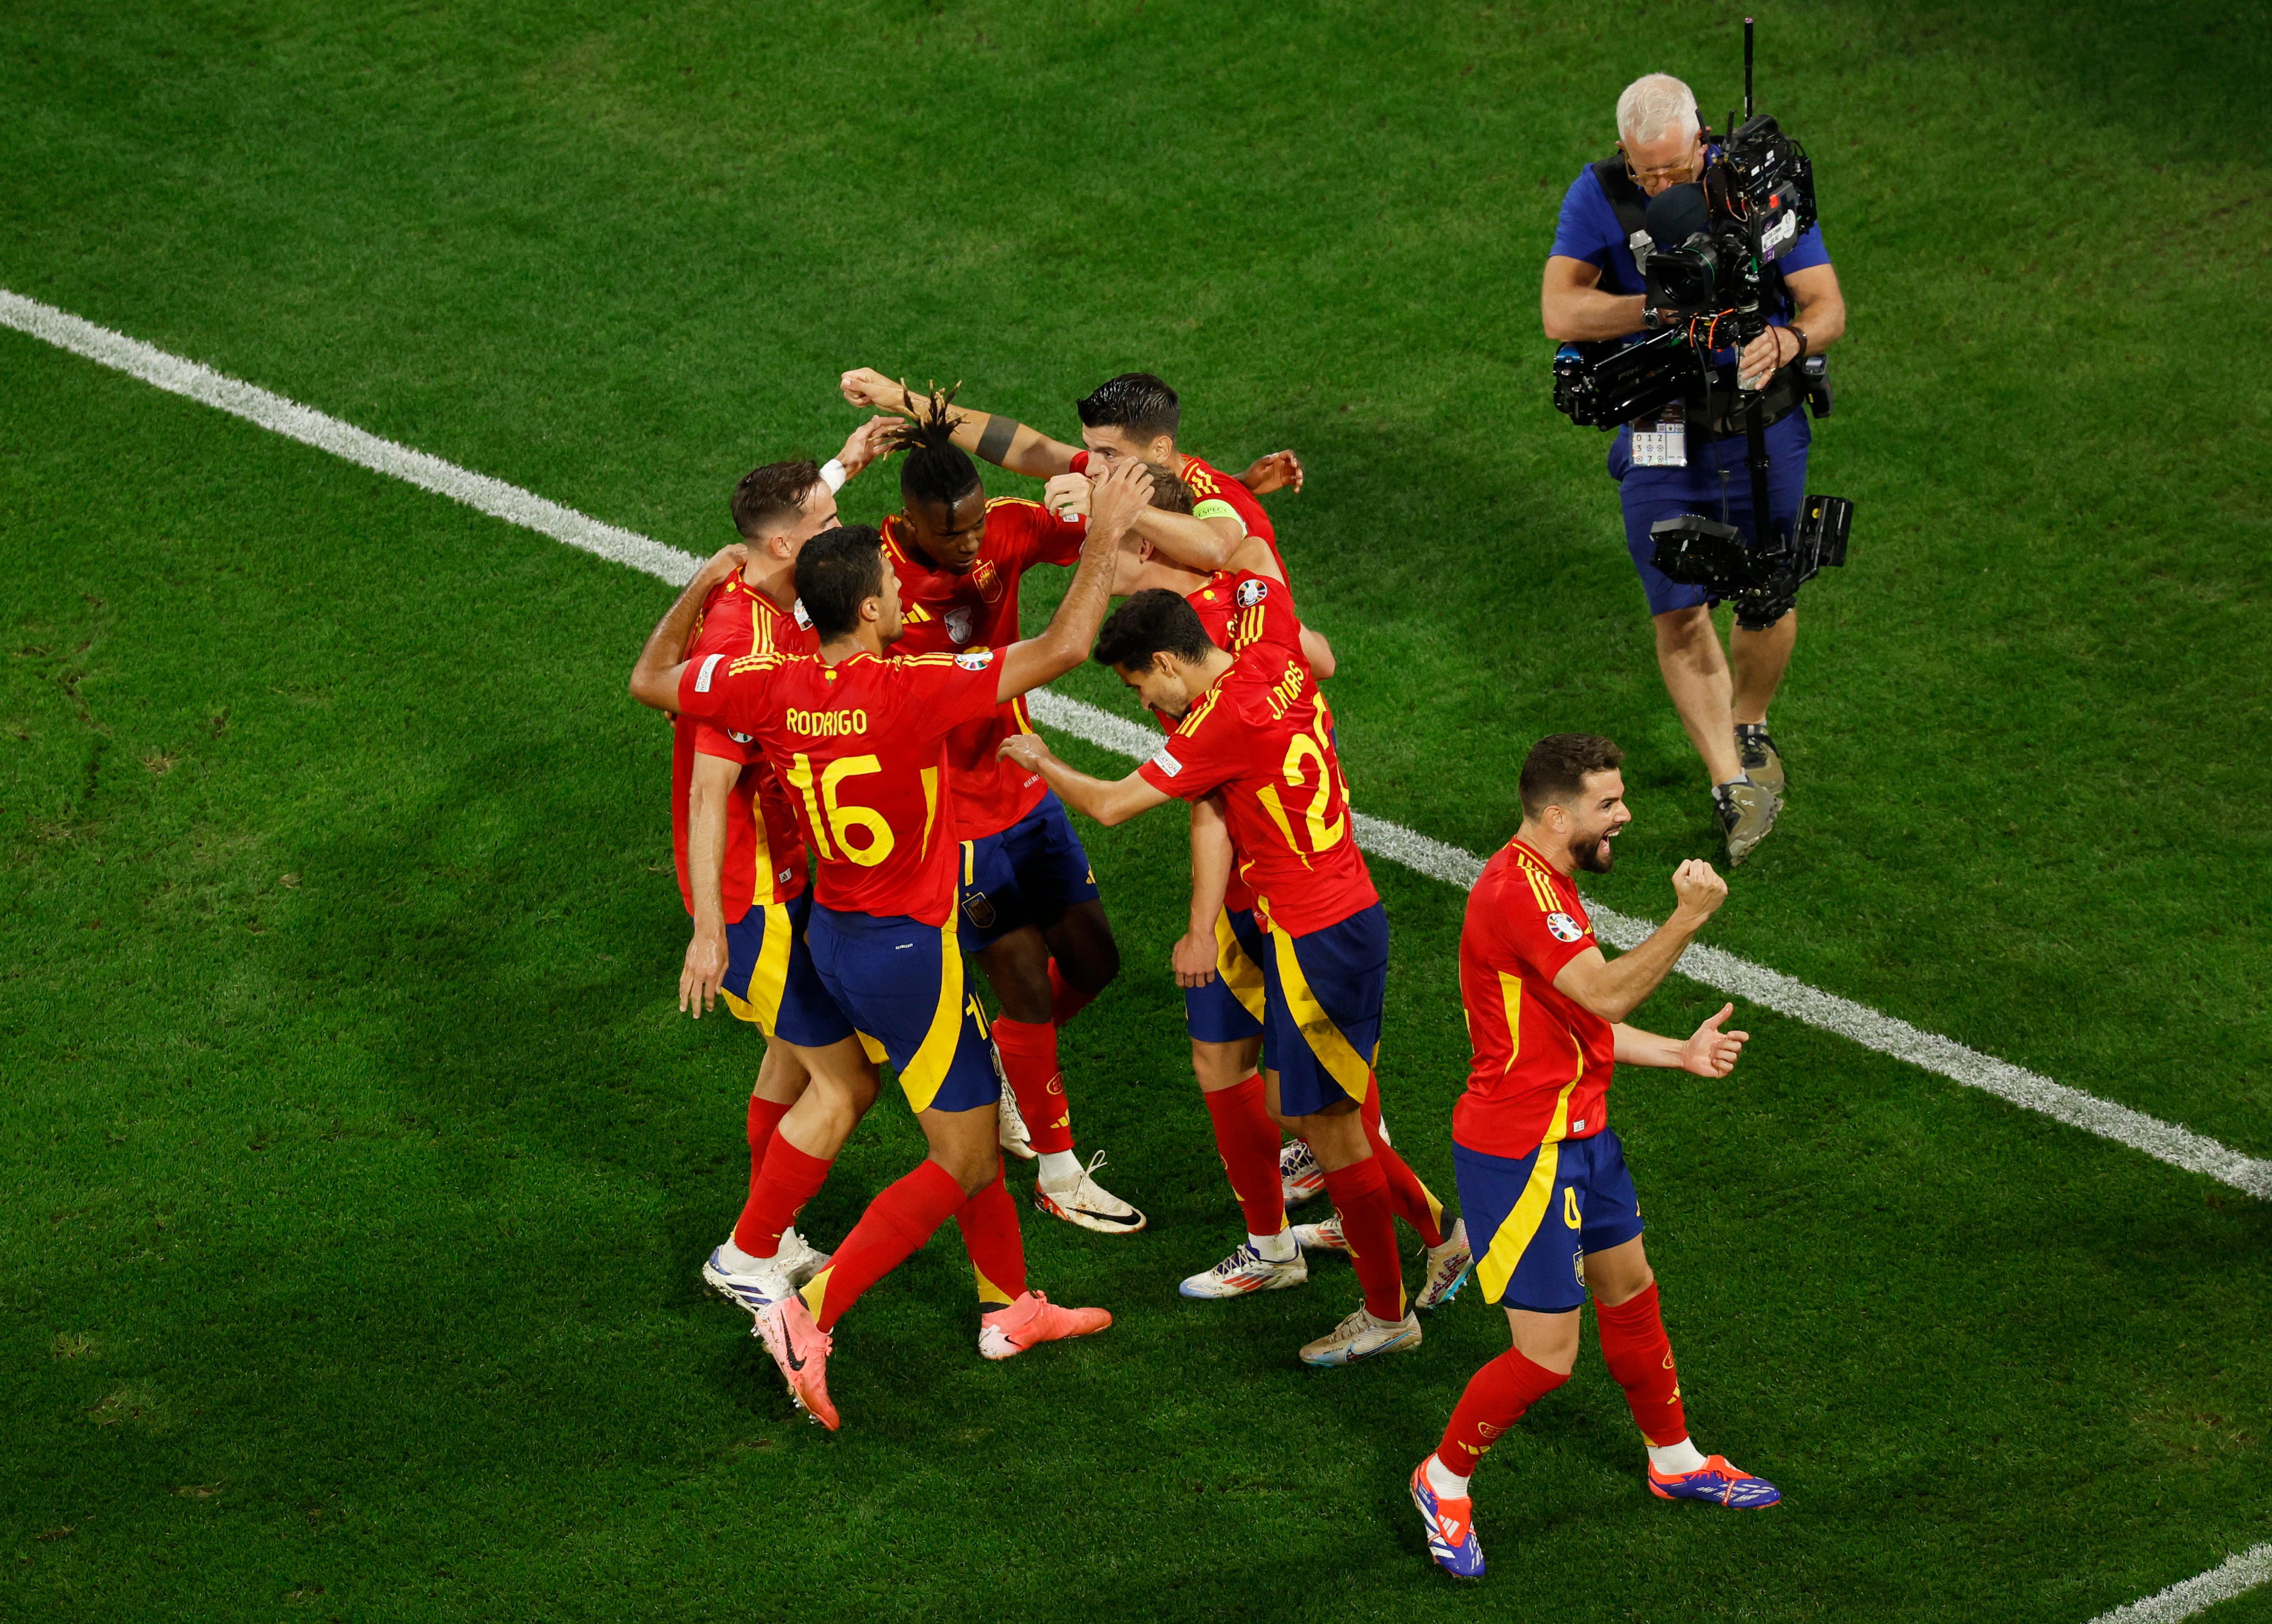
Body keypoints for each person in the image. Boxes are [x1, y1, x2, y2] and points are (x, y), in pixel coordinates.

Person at [630, 458, 1156, 1430]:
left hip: (837, 931)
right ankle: (807, 1315)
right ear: (870, 611)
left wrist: (696, 587)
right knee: (958, 1156)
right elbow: (1067, 642)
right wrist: (1097, 541)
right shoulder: (912, 690)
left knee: (959, 1135)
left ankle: (1009, 1309)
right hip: (909, 954)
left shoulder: (765, 682)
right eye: (884, 586)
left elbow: (649, 679)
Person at [1001, 589, 1462, 1366]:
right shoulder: (1272, 664)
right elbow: (1307, 656)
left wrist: (1042, 761)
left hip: (1324, 938)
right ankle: (1425, 1240)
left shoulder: (1221, 720)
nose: (1146, 702)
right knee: (1298, 1110)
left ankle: (1391, 1310)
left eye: (1140, 687)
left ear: (1168, 662)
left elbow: (1114, 806)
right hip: (1321, 921)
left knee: (1334, 1132)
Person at [1082, 469, 1465, 1304]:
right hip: (1261, 901)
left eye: (1108, 544)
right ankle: (1270, 1244)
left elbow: (1199, 806)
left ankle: (1419, 1249)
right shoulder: (1249, 625)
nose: (1093, 560)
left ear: (1150, 545)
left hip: (1290, 905)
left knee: (1321, 1116)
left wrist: (1193, 923)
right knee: (1222, 1067)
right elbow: (1310, 646)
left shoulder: (1208, 667)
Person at [1408, 733, 1780, 1582]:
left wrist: (1676, 1054)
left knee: (1631, 1290)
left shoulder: (1553, 884)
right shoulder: (1519, 893)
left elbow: (1587, 1021)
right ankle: (1441, 1478)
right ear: (1555, 812)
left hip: (1582, 1132)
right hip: (1521, 1151)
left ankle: (1675, 1457)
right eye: (1608, 803)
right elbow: (1604, 990)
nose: (1624, 815)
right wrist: (1687, 916)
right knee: (1545, 1356)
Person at [1541, 72, 1848, 864]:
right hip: (1660, 428)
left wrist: (1788, 341)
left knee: (1768, 586)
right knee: (1676, 606)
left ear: (1703, 141)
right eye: (1647, 173)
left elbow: (1826, 306)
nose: (1660, 185)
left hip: (1763, 424)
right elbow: (1559, 311)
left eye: (1674, 171)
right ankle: (1729, 785)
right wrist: (1658, 312)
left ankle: (1750, 724)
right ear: (1624, 155)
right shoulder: (1602, 195)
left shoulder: (1757, 190)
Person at [868, 396, 1143, 1234]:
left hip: (1020, 783)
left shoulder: (1004, 533)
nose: (968, 545)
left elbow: (1125, 540)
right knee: (1019, 974)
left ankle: (1012, 1068)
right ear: (908, 523)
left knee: (1095, 963)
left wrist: (1097, 498)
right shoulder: (872, 584)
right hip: (947, 816)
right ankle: (1058, 1171)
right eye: (949, 534)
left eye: (976, 525)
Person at [667, 437, 893, 1319]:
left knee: (789, 1064)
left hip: (785, 874)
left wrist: (842, 465)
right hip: (749, 894)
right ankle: (746, 1253)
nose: (842, 536)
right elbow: (707, 791)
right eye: (828, 527)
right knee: (847, 1082)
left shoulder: (772, 583)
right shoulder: (739, 641)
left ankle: (775, 1230)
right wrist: (713, 928)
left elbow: (796, 519)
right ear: (784, 548)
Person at [839, 366, 1302, 573]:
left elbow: (1216, 547)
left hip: (1264, 713)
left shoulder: (1212, 497)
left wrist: (1112, 508)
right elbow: (1030, 448)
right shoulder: (1134, 471)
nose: (1092, 468)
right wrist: (903, 400)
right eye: (1091, 451)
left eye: (1108, 454)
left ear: (1160, 448)